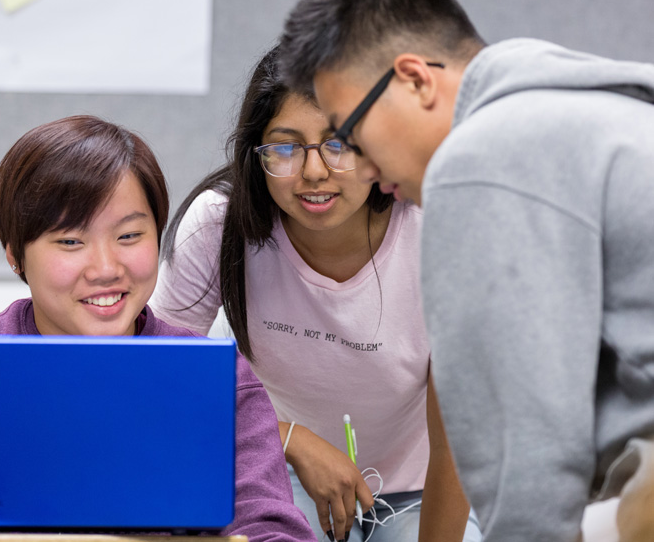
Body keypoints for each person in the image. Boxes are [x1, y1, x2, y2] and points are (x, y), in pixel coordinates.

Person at [0, 115, 317, 542]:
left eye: (129, 235)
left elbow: (272, 524)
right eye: (70, 241)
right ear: (15, 255)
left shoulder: (216, 379)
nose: (105, 267)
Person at [277, 0, 654, 540]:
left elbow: (530, 447)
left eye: (351, 134)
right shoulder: (585, 107)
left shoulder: (480, 160)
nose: (364, 168)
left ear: (415, 78)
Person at [149, 47, 481, 542]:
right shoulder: (218, 226)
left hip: (420, 490)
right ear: (255, 155)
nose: (314, 172)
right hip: (274, 476)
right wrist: (288, 439)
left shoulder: (440, 233)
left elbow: (458, 439)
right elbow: (161, 383)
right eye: (285, 147)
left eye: (340, 143)